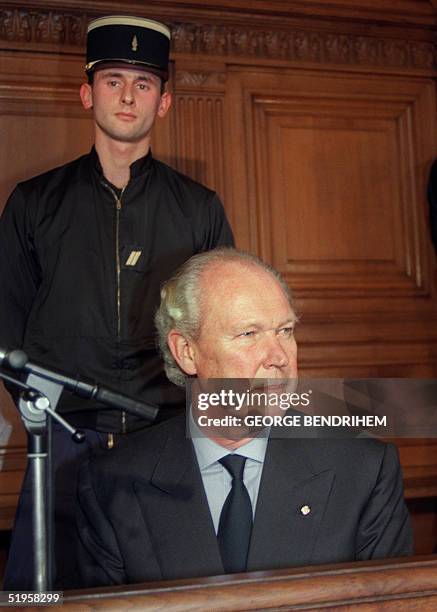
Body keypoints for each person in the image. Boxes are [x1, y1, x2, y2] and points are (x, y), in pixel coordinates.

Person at [0, 15, 233, 589]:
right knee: (48, 595)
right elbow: (7, 330)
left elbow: (222, 328)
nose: (128, 95)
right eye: (113, 80)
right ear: (87, 93)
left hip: (168, 440)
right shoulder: (32, 204)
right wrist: (47, 412)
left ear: (165, 102)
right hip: (61, 444)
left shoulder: (199, 208)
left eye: (144, 83)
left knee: (167, 596)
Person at [77, 248, 413, 587]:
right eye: (249, 334)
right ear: (187, 352)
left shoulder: (363, 470)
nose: (279, 357)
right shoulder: (112, 483)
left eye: (285, 330)